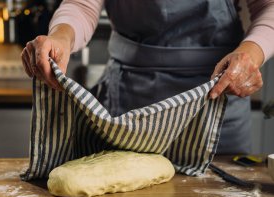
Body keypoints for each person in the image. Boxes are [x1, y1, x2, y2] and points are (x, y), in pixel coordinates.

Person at [21, 0, 274, 155]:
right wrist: (61, 36)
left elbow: (268, 6)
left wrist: (250, 53)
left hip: (217, 99)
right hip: (132, 98)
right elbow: (81, 5)